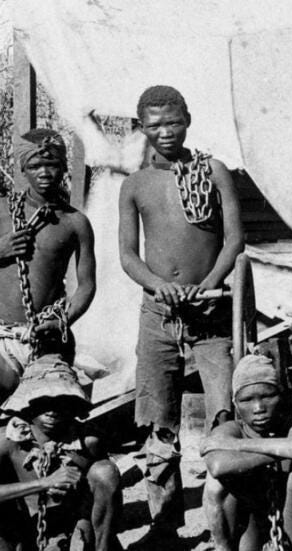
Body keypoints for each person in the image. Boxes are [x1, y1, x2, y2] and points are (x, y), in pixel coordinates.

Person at [118, 85, 244, 540]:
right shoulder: (135, 185)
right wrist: (162, 287)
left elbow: (233, 240)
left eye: (172, 122)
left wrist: (208, 285)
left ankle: (231, 519)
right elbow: (129, 256)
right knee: (158, 421)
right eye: (154, 126)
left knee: (227, 411)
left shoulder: (213, 171)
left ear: (187, 119)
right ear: (142, 128)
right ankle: (163, 526)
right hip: (159, 313)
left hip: (210, 311)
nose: (165, 132)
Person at [0, 129, 96, 402]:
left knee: (50, 413)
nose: (43, 172)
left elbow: (87, 285)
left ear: (64, 167)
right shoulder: (2, 211)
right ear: (22, 169)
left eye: (52, 164)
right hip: (2, 336)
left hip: (46, 339)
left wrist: (62, 321)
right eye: (35, 166)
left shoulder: (75, 222)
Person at [201, 355, 292, 551]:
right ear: (235, 404)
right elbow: (217, 466)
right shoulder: (230, 430)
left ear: (282, 396)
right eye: (247, 400)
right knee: (215, 482)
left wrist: (239, 446)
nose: (259, 408)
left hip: (289, 521)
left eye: (268, 396)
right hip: (250, 522)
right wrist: (290, 448)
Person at [0, 355, 121, 551]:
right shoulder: (8, 441)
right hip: (22, 531)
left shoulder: (88, 442)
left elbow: (102, 493)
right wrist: (42, 483)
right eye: (43, 402)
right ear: (27, 404)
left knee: (106, 472)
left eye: (60, 402)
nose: (52, 411)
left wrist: (83, 525)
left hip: (70, 526)